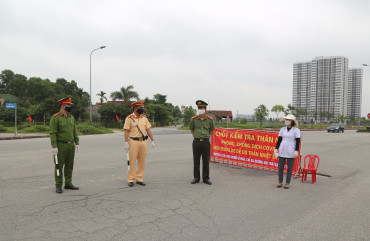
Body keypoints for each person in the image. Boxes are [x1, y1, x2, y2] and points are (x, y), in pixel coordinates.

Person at [50, 97, 80, 194]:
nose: (70, 107)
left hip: (70, 145)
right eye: (68, 105)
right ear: (63, 106)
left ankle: (68, 183)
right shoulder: (55, 118)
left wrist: (77, 143)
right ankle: (58, 185)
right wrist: (54, 146)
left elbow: (74, 131)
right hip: (60, 145)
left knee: (69, 166)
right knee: (58, 166)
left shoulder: (71, 117)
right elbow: (53, 133)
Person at [124, 100, 155, 187]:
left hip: (143, 142)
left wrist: (153, 140)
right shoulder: (129, 118)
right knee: (132, 161)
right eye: (139, 108)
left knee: (142, 162)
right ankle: (130, 179)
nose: (141, 109)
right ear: (135, 108)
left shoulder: (144, 118)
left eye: (142, 108)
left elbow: (148, 130)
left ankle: (139, 178)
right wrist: (126, 142)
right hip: (133, 142)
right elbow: (126, 131)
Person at [189, 100, 215, 185]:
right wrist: (198, 135)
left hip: (206, 143)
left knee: (206, 161)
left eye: (202, 108)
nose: (200, 109)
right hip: (196, 142)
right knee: (196, 161)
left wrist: (205, 137)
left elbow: (211, 131)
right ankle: (196, 178)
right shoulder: (193, 119)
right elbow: (192, 130)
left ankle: (206, 178)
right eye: (199, 108)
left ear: (205, 109)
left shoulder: (210, 120)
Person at [274, 114, 301, 189]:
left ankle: (287, 183)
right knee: (280, 167)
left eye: (288, 120)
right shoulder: (282, 129)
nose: (286, 121)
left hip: (291, 151)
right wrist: (276, 148)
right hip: (282, 150)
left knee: (289, 168)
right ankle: (280, 182)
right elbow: (279, 140)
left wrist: (296, 150)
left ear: (291, 121)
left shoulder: (296, 130)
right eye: (286, 119)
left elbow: (298, 141)